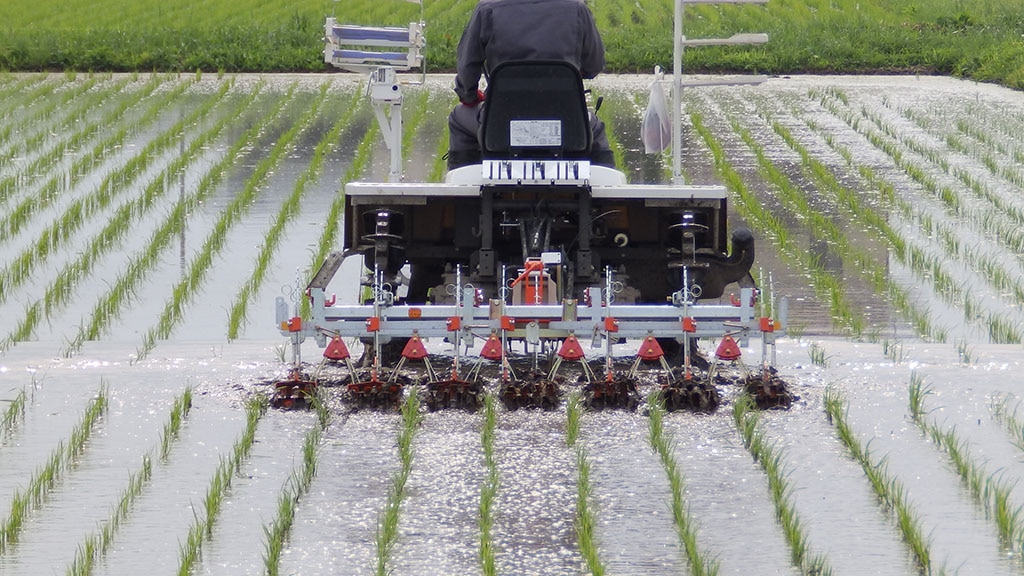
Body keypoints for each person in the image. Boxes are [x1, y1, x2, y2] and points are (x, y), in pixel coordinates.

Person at [446, 0, 615, 170]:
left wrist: (470, 96)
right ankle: (607, 190)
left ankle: (463, 189)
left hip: (500, 123)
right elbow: (594, 65)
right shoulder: (577, 8)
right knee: (596, 129)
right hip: (566, 120)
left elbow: (467, 70)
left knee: (458, 118)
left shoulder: (487, 9)